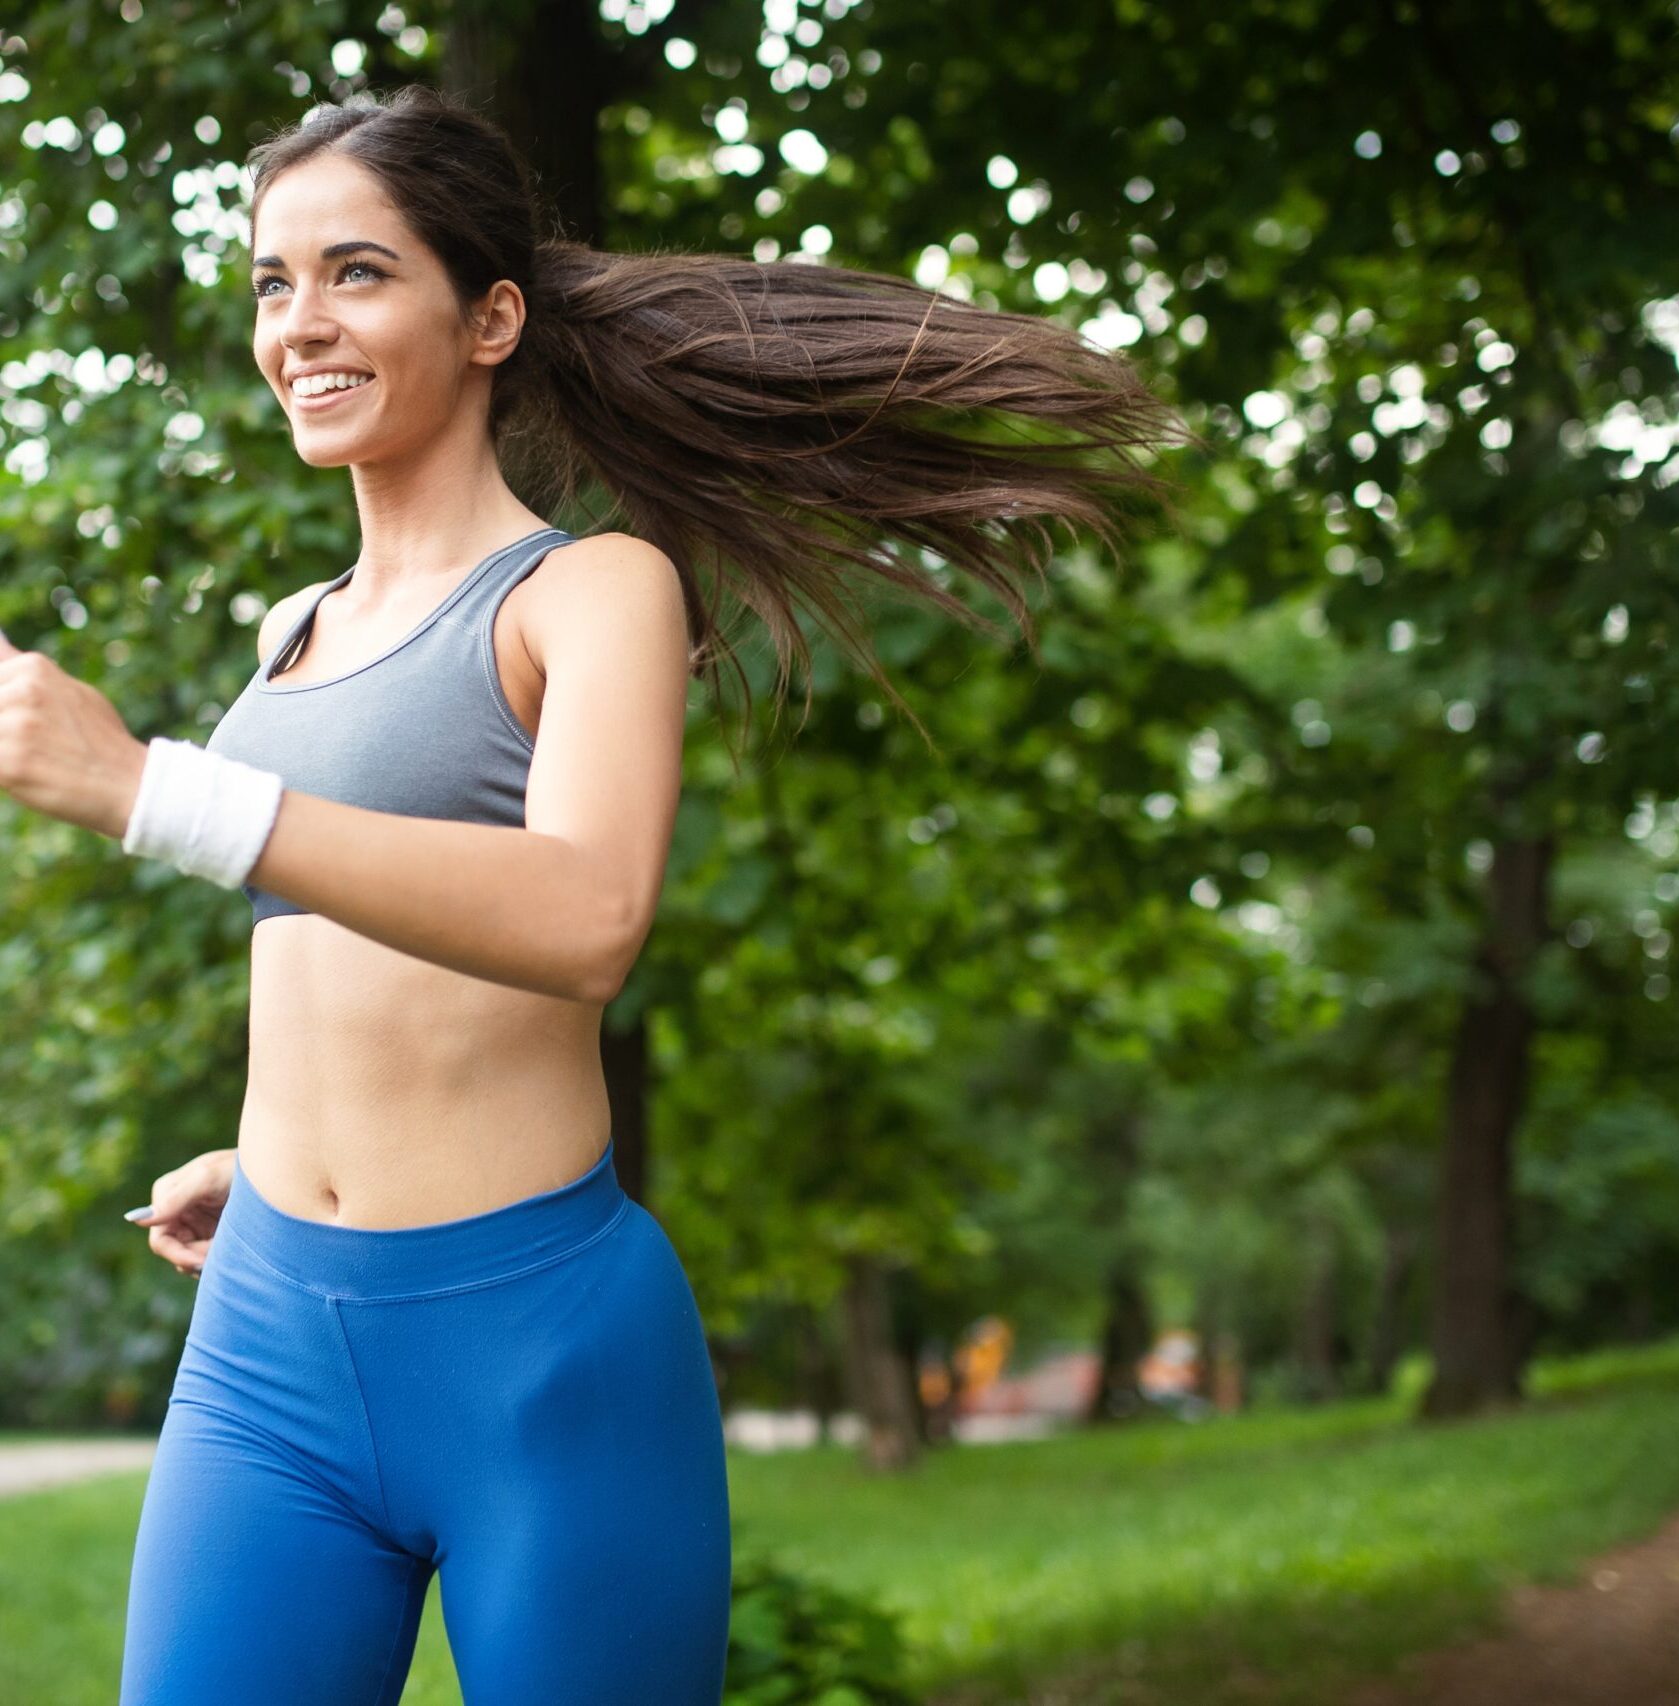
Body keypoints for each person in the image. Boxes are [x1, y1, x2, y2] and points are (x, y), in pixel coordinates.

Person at [0, 84, 1188, 1706]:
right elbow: (345, 942)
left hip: (538, 1347)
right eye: (273, 282)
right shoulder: (290, 626)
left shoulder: (592, 590)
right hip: (270, 1336)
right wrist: (284, 1138)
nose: (300, 324)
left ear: (490, 316)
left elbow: (580, 916)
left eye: (356, 272)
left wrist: (154, 789)